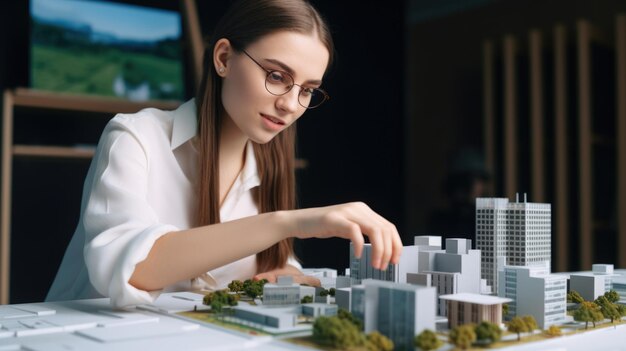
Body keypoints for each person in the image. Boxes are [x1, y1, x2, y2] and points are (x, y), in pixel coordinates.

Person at [47, 0, 402, 307]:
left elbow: (275, 265)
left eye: (307, 91)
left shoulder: (269, 166)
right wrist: (289, 221)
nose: (291, 105)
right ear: (223, 58)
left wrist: (285, 275)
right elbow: (136, 269)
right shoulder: (135, 137)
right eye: (277, 76)